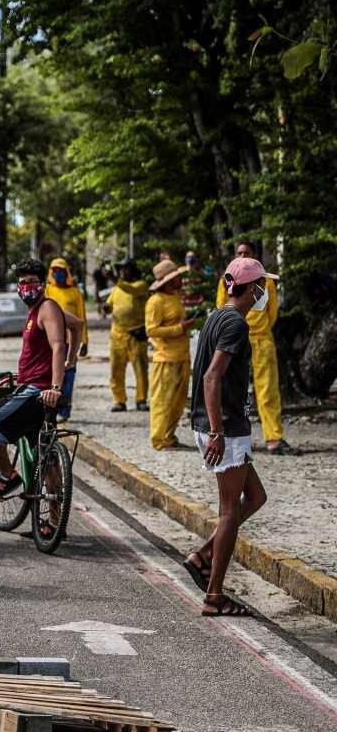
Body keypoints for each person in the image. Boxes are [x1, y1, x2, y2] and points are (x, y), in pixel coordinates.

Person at [183, 256, 272, 618]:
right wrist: (218, 431)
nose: (263, 293)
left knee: (256, 496)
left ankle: (204, 555)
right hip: (225, 428)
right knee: (229, 510)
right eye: (261, 287)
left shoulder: (216, 315)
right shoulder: (234, 324)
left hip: (217, 424)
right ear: (251, 289)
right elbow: (211, 377)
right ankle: (214, 595)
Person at [0, 260, 82, 518]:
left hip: (40, 391)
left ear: (42, 284)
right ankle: (54, 522)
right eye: (22, 282)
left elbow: (58, 345)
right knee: (44, 454)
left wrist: (56, 385)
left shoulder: (46, 308)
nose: (26, 287)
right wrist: (72, 360)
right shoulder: (39, 310)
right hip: (34, 384)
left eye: (32, 282)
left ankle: (7, 474)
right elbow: (77, 324)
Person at [215, 241, 297, 455]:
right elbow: (221, 307)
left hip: (261, 339)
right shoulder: (226, 281)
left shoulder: (265, 281)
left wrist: (258, 332)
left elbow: (272, 313)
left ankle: (273, 438)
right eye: (239, 252)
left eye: (247, 252)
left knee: (268, 389)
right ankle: (230, 434)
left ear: (254, 255)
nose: (242, 255)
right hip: (235, 339)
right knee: (232, 388)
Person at [146, 259, 195, 450]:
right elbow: (151, 330)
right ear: (168, 281)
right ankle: (158, 439)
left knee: (178, 401)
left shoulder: (174, 297)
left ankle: (169, 435)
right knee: (162, 400)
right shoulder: (155, 302)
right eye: (177, 277)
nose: (180, 279)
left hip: (181, 355)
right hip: (165, 358)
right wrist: (179, 328)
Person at [104, 259, 150, 412]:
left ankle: (141, 399)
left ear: (133, 270)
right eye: (121, 269)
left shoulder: (140, 285)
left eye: (126, 269)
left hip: (135, 334)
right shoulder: (117, 289)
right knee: (116, 370)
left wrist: (113, 279)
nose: (123, 272)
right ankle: (119, 400)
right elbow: (110, 304)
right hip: (117, 334)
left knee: (140, 370)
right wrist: (106, 307)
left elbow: (131, 290)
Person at [45, 257, 88, 358]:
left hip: (70, 341)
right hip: (50, 340)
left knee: (69, 369)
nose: (57, 273)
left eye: (60, 271)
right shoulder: (47, 291)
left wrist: (84, 341)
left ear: (66, 272)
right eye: (55, 271)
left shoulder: (75, 293)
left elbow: (82, 318)